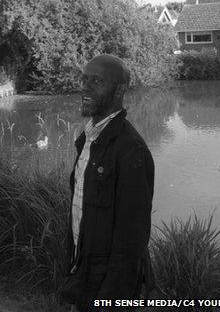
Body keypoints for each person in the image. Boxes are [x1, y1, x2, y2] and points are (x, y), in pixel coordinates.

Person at [61, 55, 155, 311]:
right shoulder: (88, 138)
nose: (85, 87)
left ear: (119, 91)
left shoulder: (131, 151)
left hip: (106, 286)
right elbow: (82, 212)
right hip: (82, 271)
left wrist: (112, 299)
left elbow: (132, 238)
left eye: (97, 81)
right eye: (84, 79)